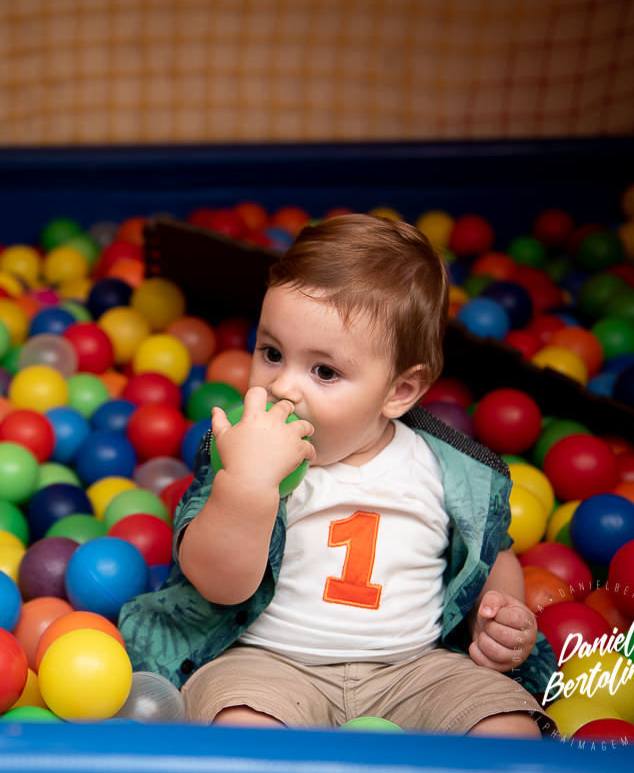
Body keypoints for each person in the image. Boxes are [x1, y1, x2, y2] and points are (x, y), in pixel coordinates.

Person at [118, 214, 556, 736]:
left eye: (324, 371)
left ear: (399, 391)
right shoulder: (242, 453)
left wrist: (499, 613)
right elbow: (217, 583)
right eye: (271, 353)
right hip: (269, 665)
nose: (284, 387)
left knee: (508, 728)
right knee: (237, 722)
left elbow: (492, 551)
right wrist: (248, 484)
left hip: (416, 670)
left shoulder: (447, 472)